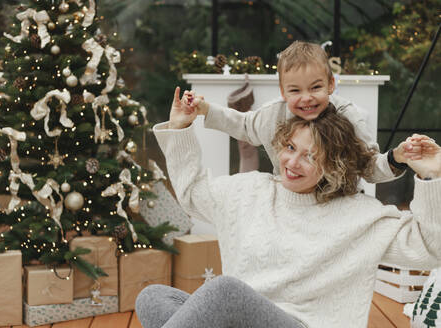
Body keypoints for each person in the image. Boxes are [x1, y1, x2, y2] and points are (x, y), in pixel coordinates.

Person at [135, 87, 441, 328]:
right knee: (155, 297)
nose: (292, 163)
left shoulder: (360, 215)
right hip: (245, 320)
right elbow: (192, 195)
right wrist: (180, 128)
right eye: (291, 147)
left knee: (225, 291)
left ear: (333, 166)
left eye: (310, 156)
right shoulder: (250, 191)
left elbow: (429, 249)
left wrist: (432, 176)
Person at [192, 40, 407, 182]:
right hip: (289, 200)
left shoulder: (348, 116)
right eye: (295, 90)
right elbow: (244, 124)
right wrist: (205, 109)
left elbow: (368, 165)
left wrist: (395, 158)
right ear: (283, 91)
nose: (306, 98)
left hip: (338, 203)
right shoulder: (273, 114)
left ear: (330, 85)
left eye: (315, 87)